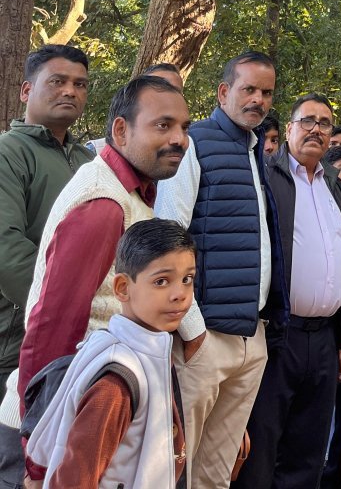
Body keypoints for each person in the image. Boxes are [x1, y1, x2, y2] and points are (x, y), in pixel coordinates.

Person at [0, 75, 190, 480]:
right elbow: (52, 327)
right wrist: (38, 458)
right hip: (55, 433)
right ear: (121, 130)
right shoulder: (104, 203)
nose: (179, 139)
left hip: (84, 421)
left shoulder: (130, 193)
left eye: (183, 127)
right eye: (163, 125)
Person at [153, 50, 277, 489]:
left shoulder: (256, 151)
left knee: (217, 473)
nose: (258, 100)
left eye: (266, 92)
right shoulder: (195, 144)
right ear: (224, 92)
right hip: (204, 337)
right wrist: (193, 331)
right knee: (173, 467)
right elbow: (169, 235)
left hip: (250, 336)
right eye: (249, 89)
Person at [235, 92, 341, 489]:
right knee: (262, 442)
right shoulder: (266, 177)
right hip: (276, 335)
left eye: (324, 123)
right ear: (288, 128)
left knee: (309, 448)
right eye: (307, 121)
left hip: (323, 340)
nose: (316, 129)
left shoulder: (334, 184)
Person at [25, 219, 194, 488]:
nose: (180, 294)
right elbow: (74, 480)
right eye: (162, 281)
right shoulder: (116, 383)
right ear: (122, 288)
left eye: (187, 279)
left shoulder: (149, 352)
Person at [0, 44, 93, 393]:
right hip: (17, 338)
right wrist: (60, 312)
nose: (70, 91)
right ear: (27, 90)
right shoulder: (8, 152)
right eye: (57, 81)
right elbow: (6, 248)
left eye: (80, 84)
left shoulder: (89, 161)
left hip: (79, 337)